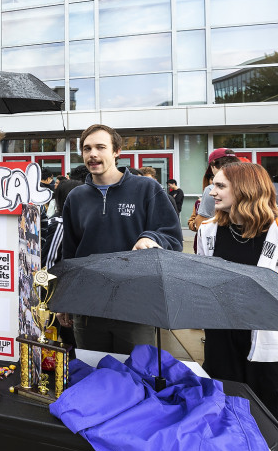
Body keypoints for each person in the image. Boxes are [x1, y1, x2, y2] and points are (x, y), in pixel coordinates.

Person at [196, 163, 278, 451]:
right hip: (222, 345)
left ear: (245, 189)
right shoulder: (208, 231)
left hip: (274, 351)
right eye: (213, 185)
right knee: (227, 425)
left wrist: (260, 300)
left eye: (220, 186)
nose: (211, 192)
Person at [54, 124, 183, 353]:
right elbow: (69, 253)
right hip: (88, 307)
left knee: (137, 377)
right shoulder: (76, 197)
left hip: (134, 306)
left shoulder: (146, 188)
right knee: (93, 375)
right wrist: (64, 297)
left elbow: (172, 238)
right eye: (87, 148)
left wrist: (150, 238)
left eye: (100, 147)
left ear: (116, 151)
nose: (92, 154)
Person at [190, 148, 241, 232]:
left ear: (213, 164)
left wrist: (193, 224)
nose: (212, 193)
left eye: (220, 186)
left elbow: (202, 224)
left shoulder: (211, 189)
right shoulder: (248, 184)